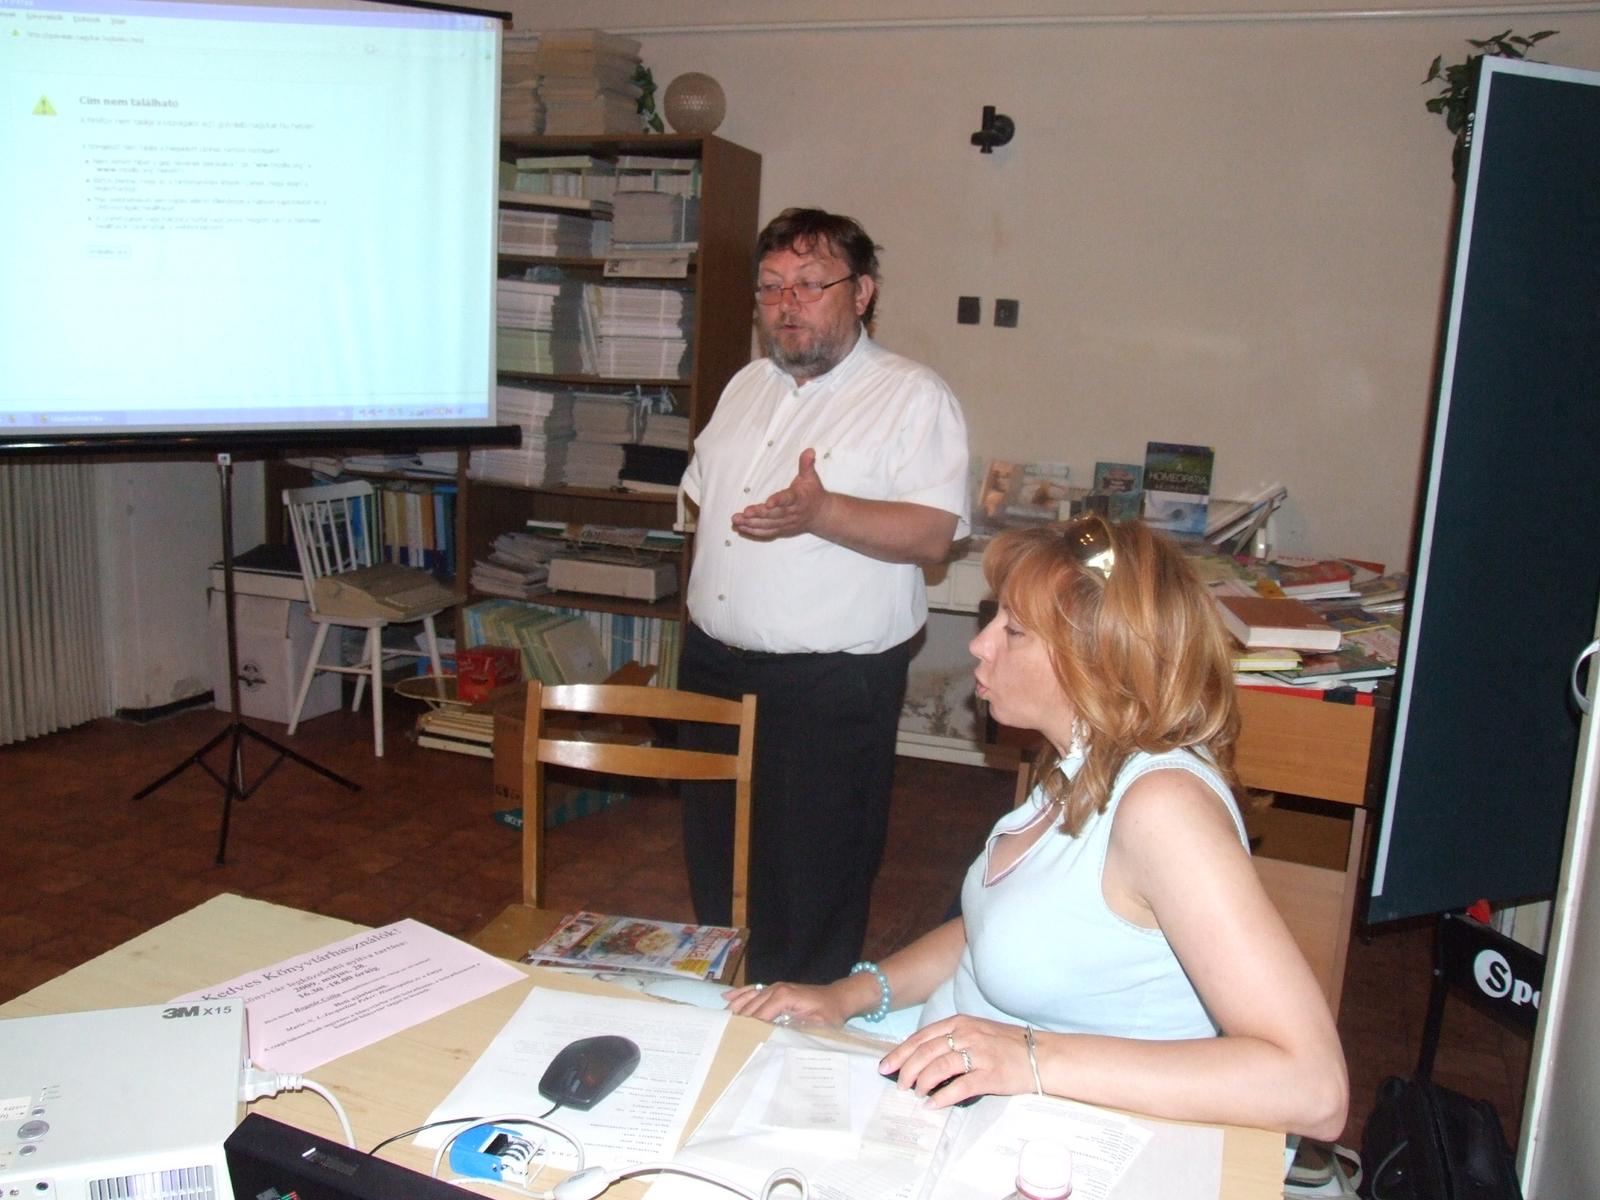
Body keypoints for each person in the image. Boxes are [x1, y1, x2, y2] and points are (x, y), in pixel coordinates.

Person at [725, 517, 1349, 1139]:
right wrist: (847, 995)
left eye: (1014, 631)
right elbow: (991, 928)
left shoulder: (1165, 808)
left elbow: (1313, 1087)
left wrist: (1028, 1057)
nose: (980, 644)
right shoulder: (1077, 765)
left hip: (1061, 1135)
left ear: (1098, 657)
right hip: (947, 1080)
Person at [677, 207, 971, 986]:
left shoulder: (911, 396)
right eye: (771, 286)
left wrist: (823, 512)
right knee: (715, 862)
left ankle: (802, 1028)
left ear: (862, 292)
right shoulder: (745, 386)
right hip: (712, 668)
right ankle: (726, 1010)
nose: (787, 303)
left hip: (828, 685)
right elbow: (704, 513)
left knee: (812, 878)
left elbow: (933, 536)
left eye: (810, 284)